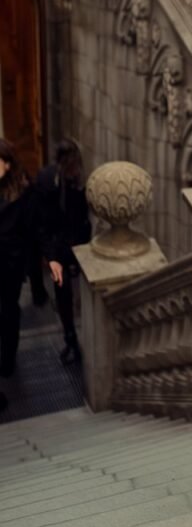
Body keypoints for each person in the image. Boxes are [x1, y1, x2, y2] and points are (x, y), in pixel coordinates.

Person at [35, 139, 91, 364]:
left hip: (77, 243)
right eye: (71, 166)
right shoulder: (46, 180)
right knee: (62, 291)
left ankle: (76, 337)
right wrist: (51, 257)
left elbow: (82, 216)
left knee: (77, 292)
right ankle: (70, 338)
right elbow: (41, 223)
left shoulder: (78, 181)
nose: (74, 170)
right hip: (57, 247)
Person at [0, 140, 32, 385]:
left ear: (7, 165)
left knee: (9, 311)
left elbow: (29, 229)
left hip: (10, 264)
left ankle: (8, 358)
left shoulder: (21, 191)